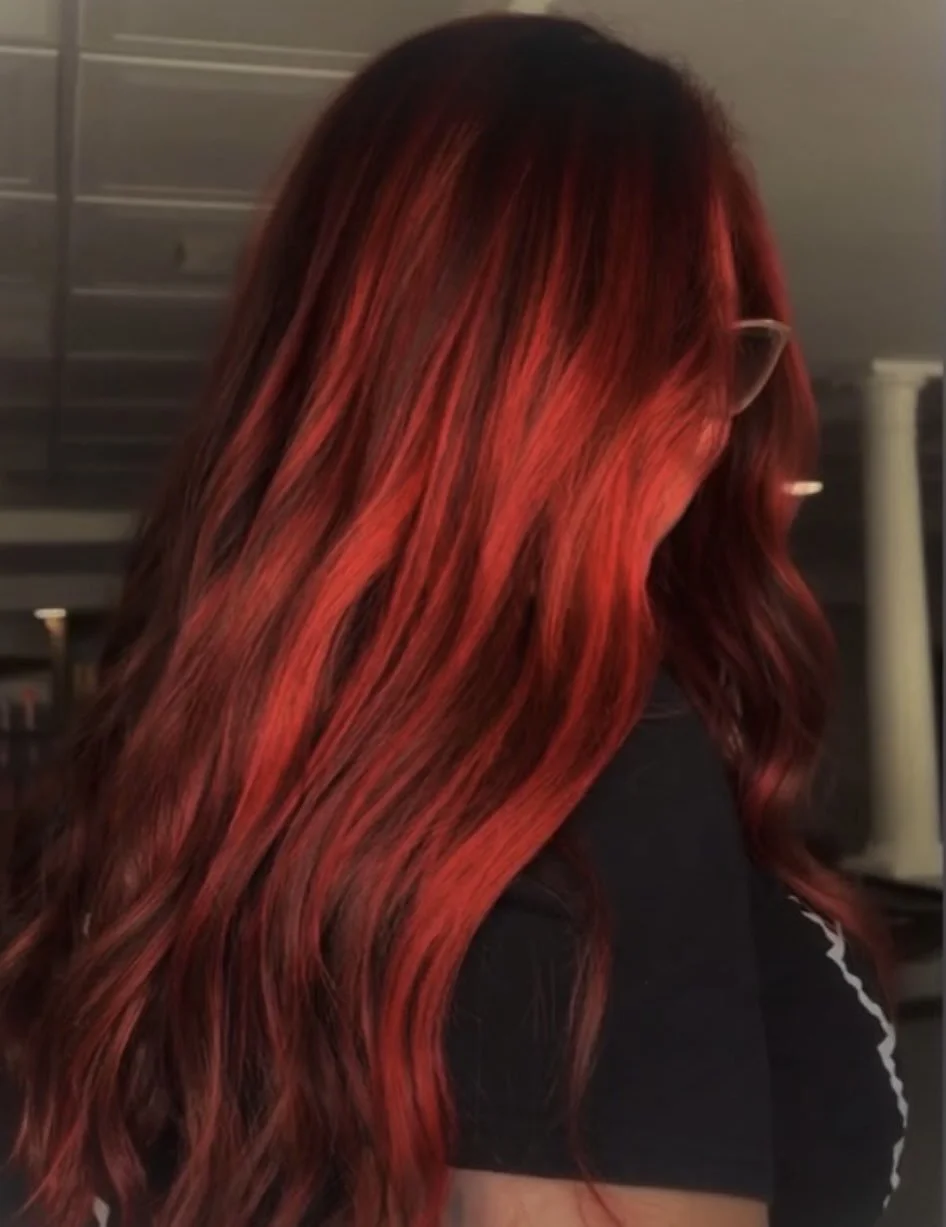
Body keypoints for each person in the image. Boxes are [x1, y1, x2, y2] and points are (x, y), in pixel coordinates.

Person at [0, 14, 905, 1227]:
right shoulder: (599, 751)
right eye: (675, 353)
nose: (709, 428)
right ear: (502, 382)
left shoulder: (151, 797)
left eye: (725, 356)